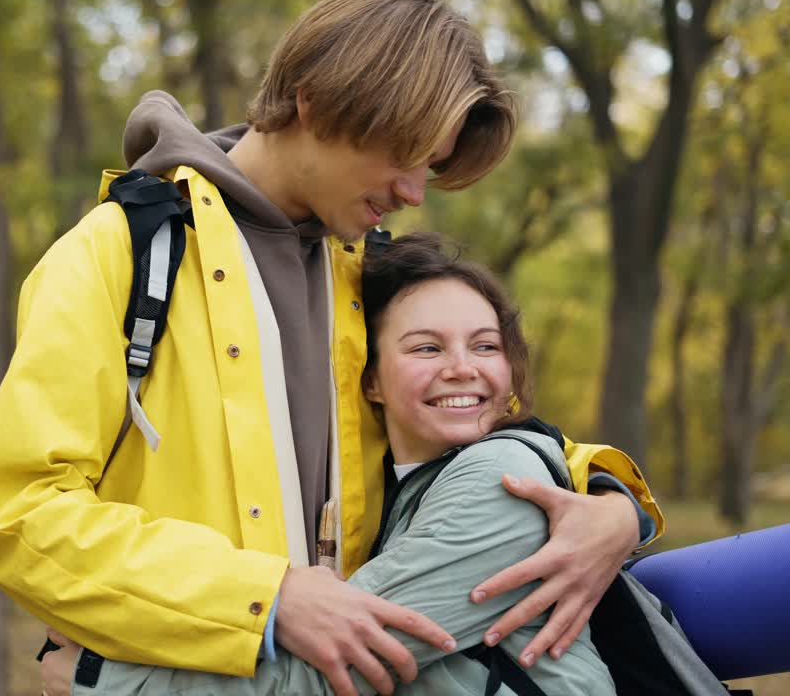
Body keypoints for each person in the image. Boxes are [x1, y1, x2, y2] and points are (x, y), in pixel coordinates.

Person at [0, 0, 662, 696]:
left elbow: (474, 427)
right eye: (406, 154)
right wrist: (266, 598)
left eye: (430, 166)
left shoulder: (371, 274)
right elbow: (16, 512)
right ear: (316, 100)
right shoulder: (118, 256)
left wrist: (613, 507)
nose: (415, 192)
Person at [36, 233, 617, 695]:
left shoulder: (501, 482)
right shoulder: (386, 490)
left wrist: (97, 682)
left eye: (486, 346)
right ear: (369, 380)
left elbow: (335, 672)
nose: (463, 367)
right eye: (426, 347)